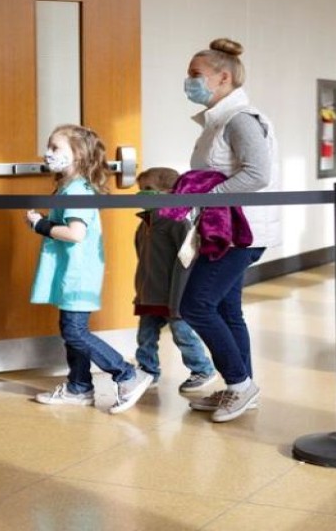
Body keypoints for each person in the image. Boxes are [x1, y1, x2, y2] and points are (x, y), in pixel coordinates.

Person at [178, 37, 280, 423]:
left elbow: (257, 174)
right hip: (226, 229)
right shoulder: (219, 120)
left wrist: (209, 198)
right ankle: (241, 387)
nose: (189, 82)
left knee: (196, 306)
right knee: (226, 307)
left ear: (223, 78)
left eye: (195, 75)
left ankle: (239, 384)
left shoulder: (240, 120)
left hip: (241, 231)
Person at [27, 125, 155, 413]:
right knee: (70, 328)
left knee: (75, 332)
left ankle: (127, 375)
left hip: (78, 273)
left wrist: (40, 225)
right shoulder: (69, 187)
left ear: (79, 154)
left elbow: (75, 234)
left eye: (56, 148)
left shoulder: (76, 190)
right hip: (71, 271)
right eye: (49, 146)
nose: (49, 153)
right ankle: (79, 387)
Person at [131, 167, 218, 395]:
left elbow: (187, 259)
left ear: (170, 191)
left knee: (183, 334)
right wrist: (141, 290)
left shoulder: (178, 222)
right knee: (145, 336)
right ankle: (147, 370)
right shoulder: (144, 225)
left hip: (174, 295)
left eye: (148, 189)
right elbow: (143, 259)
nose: (142, 195)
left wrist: (179, 297)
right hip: (150, 292)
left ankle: (202, 369)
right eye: (140, 190)